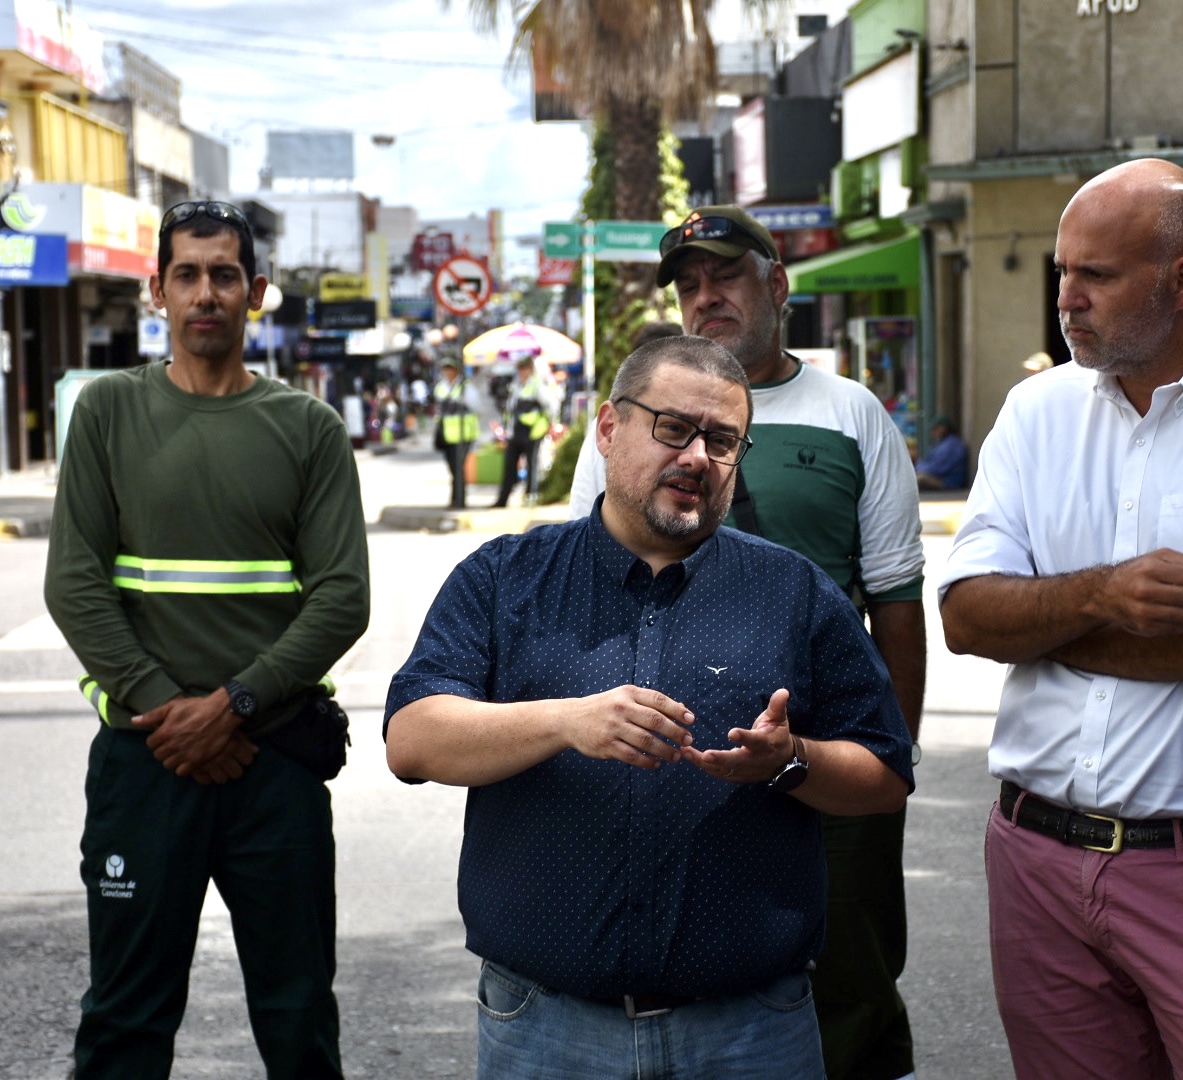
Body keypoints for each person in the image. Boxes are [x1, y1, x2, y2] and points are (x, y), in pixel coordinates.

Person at [385, 336, 914, 1079]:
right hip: (546, 1029)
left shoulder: (793, 594)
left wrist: (792, 761)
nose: (698, 455)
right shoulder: (507, 578)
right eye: (674, 428)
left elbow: (885, 774)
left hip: (751, 1033)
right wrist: (566, 721)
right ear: (608, 430)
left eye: (724, 440)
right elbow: (412, 737)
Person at [938, 159, 1183, 1080]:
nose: (1068, 301)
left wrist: (1039, 624)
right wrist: (1100, 594)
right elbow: (966, 616)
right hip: (1035, 862)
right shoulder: (1034, 414)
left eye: (1097, 276)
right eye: (1060, 273)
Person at [568, 206, 926, 1080]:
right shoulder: (626, 424)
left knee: (852, 976)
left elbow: (898, 603)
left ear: (777, 283)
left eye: (724, 275)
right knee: (697, 984)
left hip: (821, 756)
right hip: (675, 755)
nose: (706, 297)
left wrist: (887, 766)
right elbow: (586, 571)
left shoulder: (851, 413)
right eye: (689, 285)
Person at [44, 199, 371, 1079]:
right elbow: (73, 585)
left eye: (224, 274)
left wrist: (232, 707)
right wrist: (171, 714)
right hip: (145, 762)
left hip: (273, 765)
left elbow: (342, 600)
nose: (205, 293)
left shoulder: (308, 429)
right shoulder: (108, 414)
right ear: (157, 291)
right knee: (124, 1021)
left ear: (255, 291)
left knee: (300, 1014)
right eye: (186, 273)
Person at [492, 355, 559, 507]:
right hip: (516, 431)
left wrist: (551, 423)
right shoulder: (516, 385)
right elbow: (511, 408)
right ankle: (503, 499)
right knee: (509, 464)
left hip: (532, 431)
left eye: (524, 368)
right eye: (520, 368)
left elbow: (551, 406)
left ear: (530, 369)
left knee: (532, 464)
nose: (522, 371)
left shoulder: (538, 386)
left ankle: (531, 497)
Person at [432, 357, 480, 510]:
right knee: (453, 468)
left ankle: (460, 499)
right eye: (445, 368)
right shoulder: (441, 387)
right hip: (447, 434)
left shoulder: (466, 388)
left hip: (463, 434)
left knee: (458, 467)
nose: (447, 372)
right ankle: (455, 498)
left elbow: (477, 408)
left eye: (450, 368)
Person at [912, 416, 968, 491]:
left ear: (943, 428)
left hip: (949, 482)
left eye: (935, 429)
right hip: (939, 477)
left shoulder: (952, 444)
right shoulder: (940, 443)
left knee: (919, 478)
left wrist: (917, 466)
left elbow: (939, 468)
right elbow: (930, 461)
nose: (932, 432)